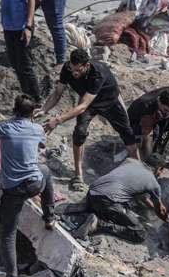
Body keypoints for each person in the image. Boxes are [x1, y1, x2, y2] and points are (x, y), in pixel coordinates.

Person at [39, 48, 134, 191]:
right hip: (88, 102)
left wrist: (57, 120)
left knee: (128, 134)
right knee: (79, 131)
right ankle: (78, 174)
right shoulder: (67, 68)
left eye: (78, 70)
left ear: (86, 65)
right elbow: (58, 91)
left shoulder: (98, 73)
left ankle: (138, 171)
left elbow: (82, 107)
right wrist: (44, 109)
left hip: (110, 101)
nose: (74, 73)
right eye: (72, 69)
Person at [0, 95, 56, 277]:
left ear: (14, 110)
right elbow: (43, 144)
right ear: (33, 113)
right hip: (34, 183)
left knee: (8, 233)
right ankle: (50, 217)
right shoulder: (36, 129)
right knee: (46, 171)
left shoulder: (3, 127)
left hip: (12, 189)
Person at [71, 155, 167, 243]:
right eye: (161, 171)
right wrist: (168, 220)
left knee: (125, 203)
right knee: (140, 233)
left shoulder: (130, 161)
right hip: (106, 201)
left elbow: (140, 194)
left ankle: (92, 212)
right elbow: (160, 211)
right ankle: (98, 224)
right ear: (159, 168)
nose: (161, 174)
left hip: (92, 193)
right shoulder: (153, 183)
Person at [126, 85, 169, 165]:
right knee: (154, 132)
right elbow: (148, 132)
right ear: (159, 101)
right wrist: (148, 156)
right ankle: (144, 155)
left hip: (154, 114)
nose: (168, 114)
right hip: (132, 125)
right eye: (166, 110)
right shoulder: (146, 106)